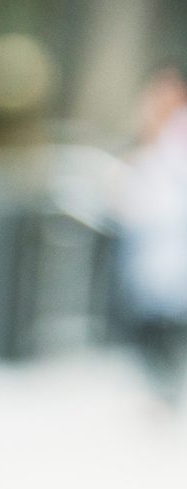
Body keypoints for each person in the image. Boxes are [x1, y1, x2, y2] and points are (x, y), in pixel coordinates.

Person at [120, 63, 187, 411]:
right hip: (147, 247)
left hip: (172, 249)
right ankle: (160, 390)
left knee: (169, 321)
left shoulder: (179, 134)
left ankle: (168, 389)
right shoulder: (151, 132)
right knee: (150, 319)